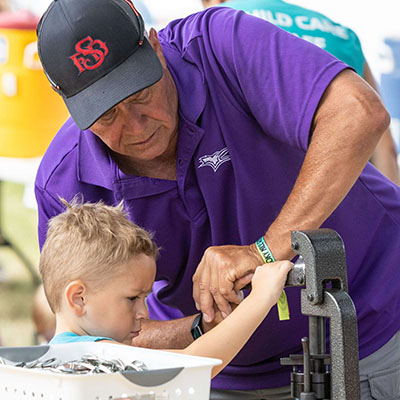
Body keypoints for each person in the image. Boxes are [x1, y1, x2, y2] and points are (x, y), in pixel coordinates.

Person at [35, 0, 400, 398]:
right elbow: (92, 330)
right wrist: (202, 327)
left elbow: (358, 112)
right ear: (68, 102)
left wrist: (263, 251)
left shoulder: (219, 46)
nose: (135, 127)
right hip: (213, 373)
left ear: (154, 46)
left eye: (140, 95)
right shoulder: (61, 184)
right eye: (106, 115)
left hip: (370, 327)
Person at [39, 198, 292, 379]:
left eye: (145, 298)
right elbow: (194, 365)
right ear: (79, 298)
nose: (144, 313)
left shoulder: (57, 357)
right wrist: (259, 300)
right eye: (132, 298)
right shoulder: (92, 355)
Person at [202, 0, 400, 185]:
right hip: (345, 189)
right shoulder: (343, 33)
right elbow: (383, 143)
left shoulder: (214, 23)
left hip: (267, 192)